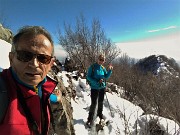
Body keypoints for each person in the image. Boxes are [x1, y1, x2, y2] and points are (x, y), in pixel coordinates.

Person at [0, 26, 58, 135]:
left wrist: (56, 98)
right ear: (11, 59)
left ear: (50, 64)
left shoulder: (44, 87)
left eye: (43, 58)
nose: (34, 64)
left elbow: (40, 92)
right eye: (25, 56)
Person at [86, 54, 113, 127]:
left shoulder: (103, 68)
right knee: (94, 103)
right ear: (97, 59)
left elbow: (106, 76)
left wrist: (110, 70)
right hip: (94, 88)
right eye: (100, 59)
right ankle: (90, 118)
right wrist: (97, 81)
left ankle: (100, 114)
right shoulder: (93, 67)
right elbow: (88, 77)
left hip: (102, 88)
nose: (101, 61)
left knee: (100, 102)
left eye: (103, 60)